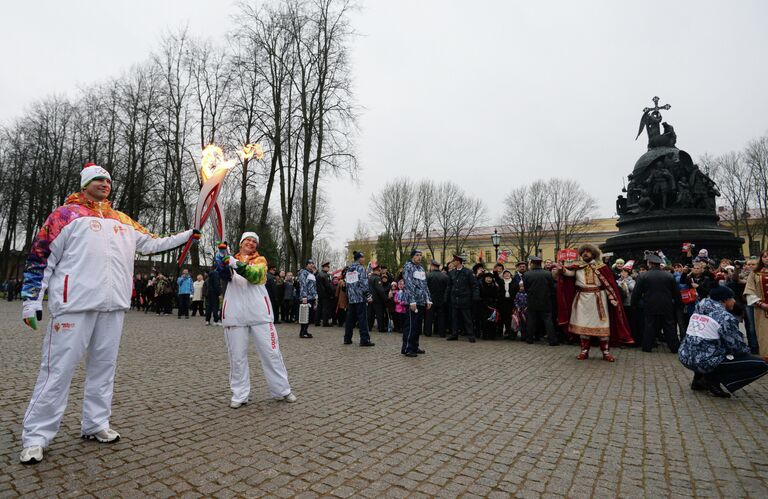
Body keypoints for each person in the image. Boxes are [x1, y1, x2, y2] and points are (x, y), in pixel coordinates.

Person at [18, 162, 195, 464]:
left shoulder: (121, 219)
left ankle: (95, 423)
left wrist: (188, 235)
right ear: (85, 183)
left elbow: (153, 243)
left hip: (112, 305)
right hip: (74, 305)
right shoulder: (64, 215)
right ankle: (36, 436)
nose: (104, 184)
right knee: (57, 370)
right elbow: (40, 259)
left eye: (108, 180)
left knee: (104, 369)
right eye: (98, 179)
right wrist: (31, 300)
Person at [215, 232, 296, 408]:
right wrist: (221, 259)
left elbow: (255, 276)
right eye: (247, 240)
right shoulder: (230, 259)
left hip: (260, 314)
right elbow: (222, 275)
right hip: (235, 316)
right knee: (237, 358)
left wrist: (233, 262)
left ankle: (282, 390)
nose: (250, 243)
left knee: (271, 354)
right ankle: (239, 394)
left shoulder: (261, 261)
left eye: (254, 241)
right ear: (241, 243)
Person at [679, 286, 768, 397]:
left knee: (706, 344)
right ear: (724, 300)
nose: (734, 301)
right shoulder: (724, 317)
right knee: (762, 365)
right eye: (732, 298)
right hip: (704, 361)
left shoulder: (699, 307)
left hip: (685, 356)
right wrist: (752, 356)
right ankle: (712, 380)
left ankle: (699, 379)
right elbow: (737, 347)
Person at [556, 243, 634, 362]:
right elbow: (569, 274)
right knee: (583, 325)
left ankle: (605, 352)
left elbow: (608, 284)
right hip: (582, 300)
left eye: (588, 251)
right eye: (583, 252)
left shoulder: (602, 267)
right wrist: (562, 269)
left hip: (599, 299)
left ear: (593, 253)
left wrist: (611, 297)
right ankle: (584, 351)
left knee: (602, 325)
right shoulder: (577, 266)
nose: (585, 253)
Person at [631, 252, 682, 353]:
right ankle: (674, 347)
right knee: (669, 326)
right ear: (659, 264)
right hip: (667, 305)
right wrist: (678, 305)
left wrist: (634, 304)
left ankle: (647, 347)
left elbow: (636, 292)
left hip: (649, 304)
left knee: (649, 325)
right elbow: (676, 293)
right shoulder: (669, 276)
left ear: (650, 264)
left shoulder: (643, 276)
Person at [401, 249, 432, 356]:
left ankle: (415, 346)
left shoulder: (421, 268)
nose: (419, 257)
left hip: (421, 300)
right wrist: (412, 301)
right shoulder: (408, 267)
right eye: (417, 255)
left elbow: (424, 285)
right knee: (411, 326)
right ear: (412, 256)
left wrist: (428, 299)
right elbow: (408, 285)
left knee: (418, 326)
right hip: (412, 301)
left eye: (420, 255)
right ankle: (408, 348)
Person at [523, 256, 557, 345]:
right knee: (548, 320)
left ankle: (529, 339)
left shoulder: (526, 274)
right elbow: (552, 287)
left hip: (532, 301)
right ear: (540, 264)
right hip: (545, 301)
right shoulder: (548, 274)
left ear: (533, 264)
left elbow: (526, 289)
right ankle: (552, 340)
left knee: (531, 320)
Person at [343, 251, 375, 346]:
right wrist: (368, 295)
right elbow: (363, 283)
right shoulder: (360, 268)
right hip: (360, 298)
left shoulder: (349, 269)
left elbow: (347, 284)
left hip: (351, 298)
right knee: (362, 319)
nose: (364, 259)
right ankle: (364, 339)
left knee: (350, 320)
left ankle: (347, 338)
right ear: (359, 258)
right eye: (363, 257)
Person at [446, 254, 479, 343]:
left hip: (465, 299)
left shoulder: (468, 272)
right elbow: (449, 286)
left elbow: (474, 285)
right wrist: (446, 298)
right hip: (454, 299)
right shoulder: (451, 273)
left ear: (458, 262)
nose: (452, 262)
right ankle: (454, 334)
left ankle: (471, 335)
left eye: (454, 261)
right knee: (454, 318)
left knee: (467, 318)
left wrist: (475, 296)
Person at [743, 250, 768, 359]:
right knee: (764, 334)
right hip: (761, 310)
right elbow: (749, 291)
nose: (767, 258)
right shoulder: (755, 273)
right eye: (765, 256)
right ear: (761, 258)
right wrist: (761, 304)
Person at [425, 259, 449, 338]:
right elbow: (447, 289)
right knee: (441, 317)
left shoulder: (428, 276)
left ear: (432, 266)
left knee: (429, 317)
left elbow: (426, 288)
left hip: (430, 300)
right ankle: (442, 333)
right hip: (442, 300)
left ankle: (428, 332)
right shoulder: (445, 276)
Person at [297, 260, 318, 338]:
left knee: (309, 316)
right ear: (306, 265)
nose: (312, 265)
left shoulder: (311, 274)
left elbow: (313, 286)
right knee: (305, 315)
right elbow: (303, 285)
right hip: (306, 297)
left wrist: (316, 297)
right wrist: (304, 297)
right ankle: (302, 332)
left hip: (312, 297)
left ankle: (305, 331)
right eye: (310, 263)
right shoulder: (303, 273)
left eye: (313, 263)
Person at [368, 265, 388, 332]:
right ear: (376, 271)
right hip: (377, 299)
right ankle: (381, 328)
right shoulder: (377, 278)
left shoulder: (370, 278)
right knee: (379, 314)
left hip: (371, 298)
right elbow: (380, 290)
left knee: (371, 314)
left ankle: (369, 327)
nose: (380, 272)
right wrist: (385, 298)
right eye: (379, 270)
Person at [478, 271, 498, 340]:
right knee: (484, 321)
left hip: (493, 306)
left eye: (490, 278)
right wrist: (484, 304)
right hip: (483, 305)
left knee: (492, 321)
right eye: (487, 278)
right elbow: (480, 296)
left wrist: (494, 304)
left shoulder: (495, 286)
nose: (489, 279)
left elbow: (496, 296)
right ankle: (485, 335)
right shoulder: (481, 285)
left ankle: (492, 335)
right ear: (484, 278)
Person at [497, 269, 515, 339]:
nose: (507, 275)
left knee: (509, 319)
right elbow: (496, 278)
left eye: (508, 273)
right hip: (502, 303)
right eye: (505, 274)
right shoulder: (501, 282)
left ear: (510, 275)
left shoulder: (514, 282)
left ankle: (509, 332)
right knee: (501, 319)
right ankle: (500, 333)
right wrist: (496, 271)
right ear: (503, 275)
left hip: (510, 303)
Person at [315, 261, 333, 327]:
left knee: (319, 307)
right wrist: (331, 293)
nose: (328, 268)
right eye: (328, 267)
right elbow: (328, 286)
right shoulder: (326, 275)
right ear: (324, 267)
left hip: (320, 293)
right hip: (325, 294)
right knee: (325, 308)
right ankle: (325, 322)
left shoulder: (318, 275)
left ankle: (317, 321)